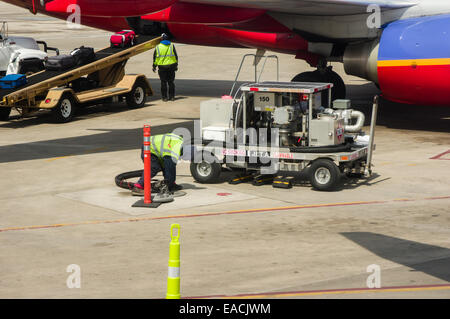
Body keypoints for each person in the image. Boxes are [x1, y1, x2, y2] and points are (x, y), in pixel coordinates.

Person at [153, 33, 178, 102]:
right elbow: (176, 56)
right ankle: (172, 97)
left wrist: (154, 66)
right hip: (171, 66)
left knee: (163, 82)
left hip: (162, 67)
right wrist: (176, 65)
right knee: (171, 82)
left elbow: (155, 58)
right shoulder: (172, 45)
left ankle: (164, 98)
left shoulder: (158, 47)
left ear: (162, 39)